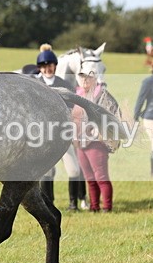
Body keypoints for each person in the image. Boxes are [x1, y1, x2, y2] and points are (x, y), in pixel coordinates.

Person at [33, 44, 87, 210]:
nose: (47, 69)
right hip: (45, 136)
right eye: (44, 66)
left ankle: (73, 204)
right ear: (40, 68)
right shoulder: (35, 84)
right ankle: (49, 204)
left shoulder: (64, 84)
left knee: (74, 170)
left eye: (50, 66)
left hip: (64, 134)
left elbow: (73, 108)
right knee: (47, 172)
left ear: (55, 66)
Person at [72, 69, 120, 212]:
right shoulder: (79, 95)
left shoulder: (103, 96)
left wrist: (101, 133)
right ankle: (94, 207)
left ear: (95, 78)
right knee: (89, 178)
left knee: (101, 176)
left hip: (96, 142)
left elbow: (113, 115)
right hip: (81, 142)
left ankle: (107, 207)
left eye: (88, 78)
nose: (85, 81)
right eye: (82, 78)